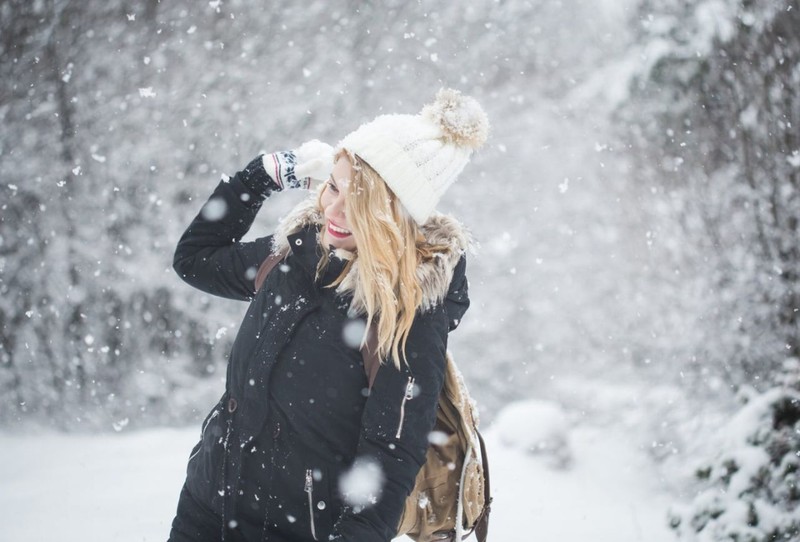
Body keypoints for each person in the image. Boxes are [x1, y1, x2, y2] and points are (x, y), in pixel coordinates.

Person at [168, 88, 489, 542]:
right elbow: (195, 260)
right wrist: (263, 175)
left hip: (298, 531)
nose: (334, 209)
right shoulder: (295, 255)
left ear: (393, 213)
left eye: (358, 201)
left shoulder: (406, 309)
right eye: (333, 186)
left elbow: (392, 452)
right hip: (206, 507)